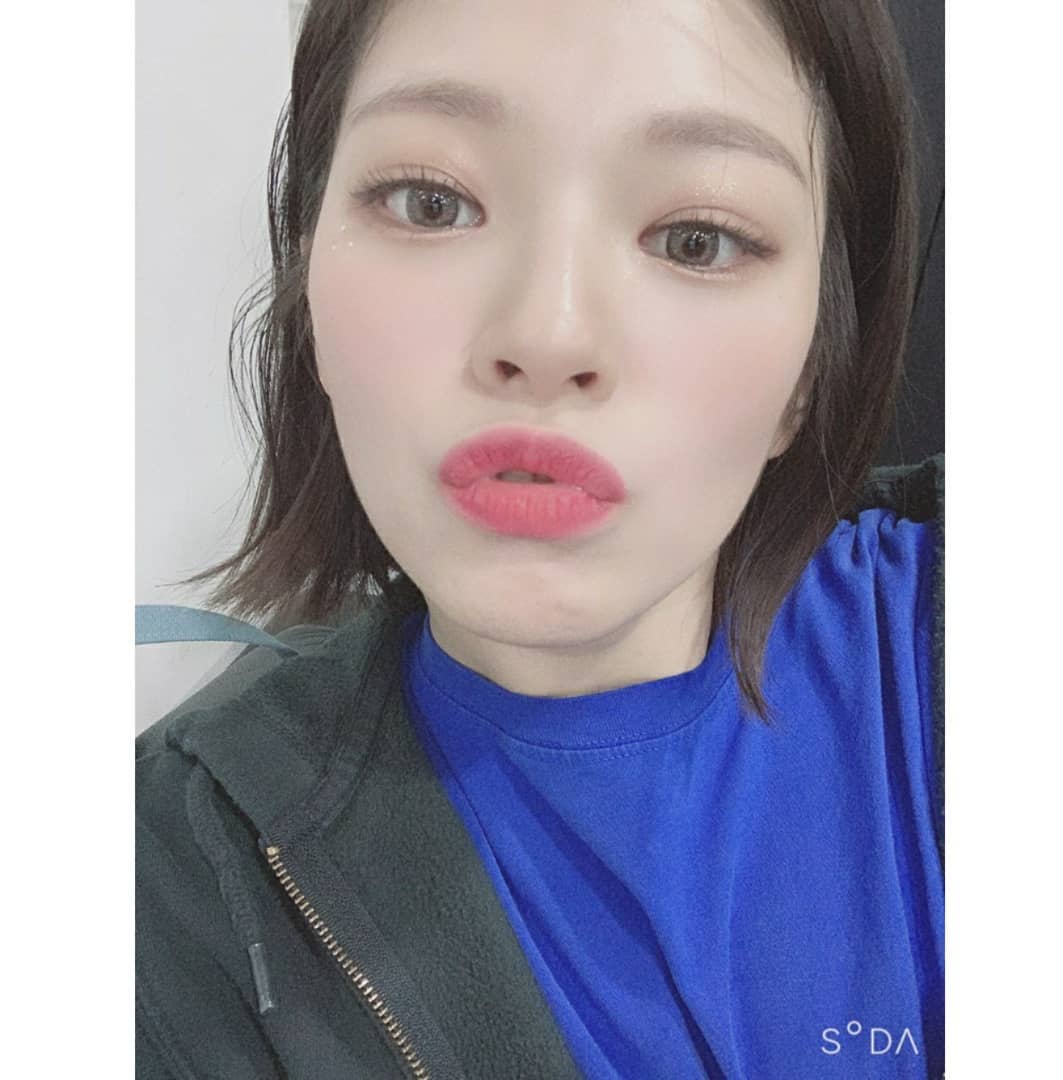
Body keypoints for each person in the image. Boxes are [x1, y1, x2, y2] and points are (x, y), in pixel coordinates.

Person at [136, 0, 944, 1076]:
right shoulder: (168, 878)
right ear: (309, 286)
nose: (547, 333)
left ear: (809, 370)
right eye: (431, 202)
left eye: (697, 239)